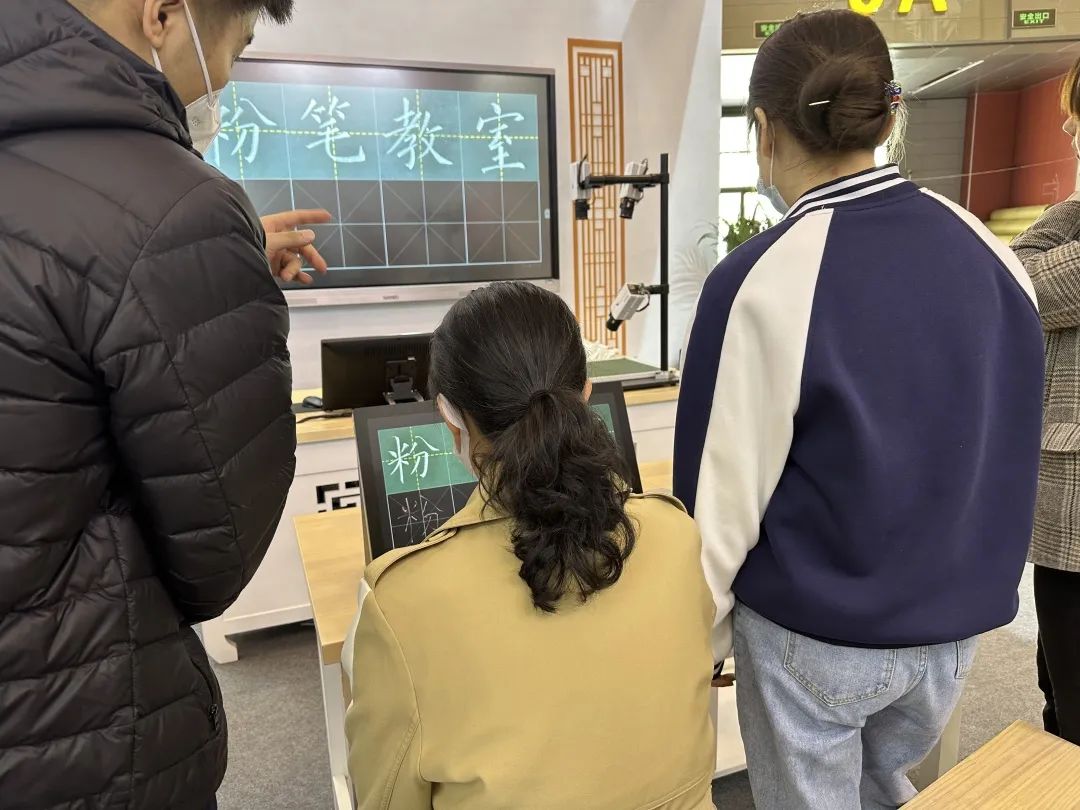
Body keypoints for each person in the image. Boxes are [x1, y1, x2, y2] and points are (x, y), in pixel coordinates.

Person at [674, 9, 1045, 810]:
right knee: (885, 790)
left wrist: (692, 651)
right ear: (888, 114)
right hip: (950, 635)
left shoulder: (760, 280)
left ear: (764, 130)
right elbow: (1007, 441)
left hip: (813, 635)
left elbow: (719, 506)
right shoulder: (992, 254)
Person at [0, 1, 324, 807]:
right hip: (89, 728)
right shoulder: (177, 202)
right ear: (164, 14)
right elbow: (216, 553)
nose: (227, 79)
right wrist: (202, 253)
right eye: (238, 47)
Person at [344, 282, 717, 810]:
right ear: (586, 395)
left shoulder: (402, 601)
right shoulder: (675, 533)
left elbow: (385, 799)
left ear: (449, 416)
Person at [1012, 57, 1080, 747]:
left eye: (1077, 113)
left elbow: (1023, 283)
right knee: (1056, 687)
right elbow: (1012, 272)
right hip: (1064, 511)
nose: (1066, 128)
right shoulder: (1073, 219)